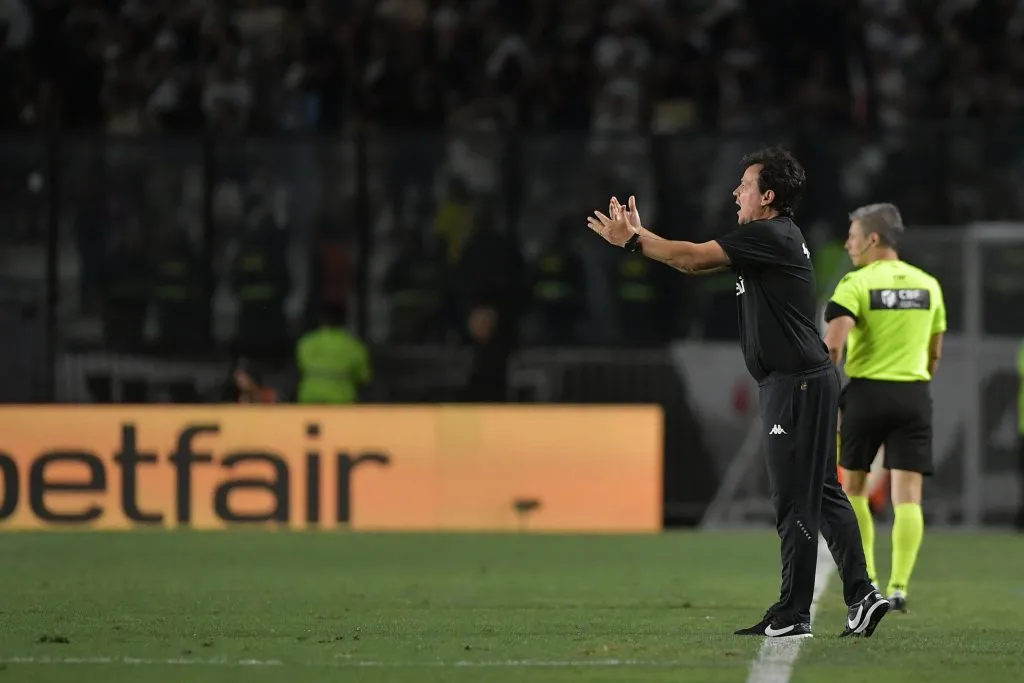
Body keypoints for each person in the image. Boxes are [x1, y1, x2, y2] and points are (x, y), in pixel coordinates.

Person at [586, 147, 888, 639]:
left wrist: (635, 241)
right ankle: (862, 595)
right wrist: (640, 237)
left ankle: (794, 613)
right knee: (825, 495)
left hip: (797, 383)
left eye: (745, 185)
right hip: (801, 380)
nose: (735, 192)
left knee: (794, 500)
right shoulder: (772, 237)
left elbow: (691, 259)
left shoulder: (768, 234)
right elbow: (695, 263)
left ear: (767, 197)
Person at [824, 204, 946, 613]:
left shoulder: (856, 283)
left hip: (866, 395)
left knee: (854, 488)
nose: (848, 243)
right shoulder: (929, 285)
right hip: (914, 394)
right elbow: (934, 353)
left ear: (873, 239)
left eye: (853, 236)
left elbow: (834, 345)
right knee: (908, 495)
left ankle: (869, 582)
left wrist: (821, 389)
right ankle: (899, 587)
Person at [295, 304, 372, 404]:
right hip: (342, 400)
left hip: (309, 397)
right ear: (344, 321)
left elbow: (298, 369)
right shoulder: (354, 345)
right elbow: (364, 377)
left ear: (322, 320)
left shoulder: (306, 342)